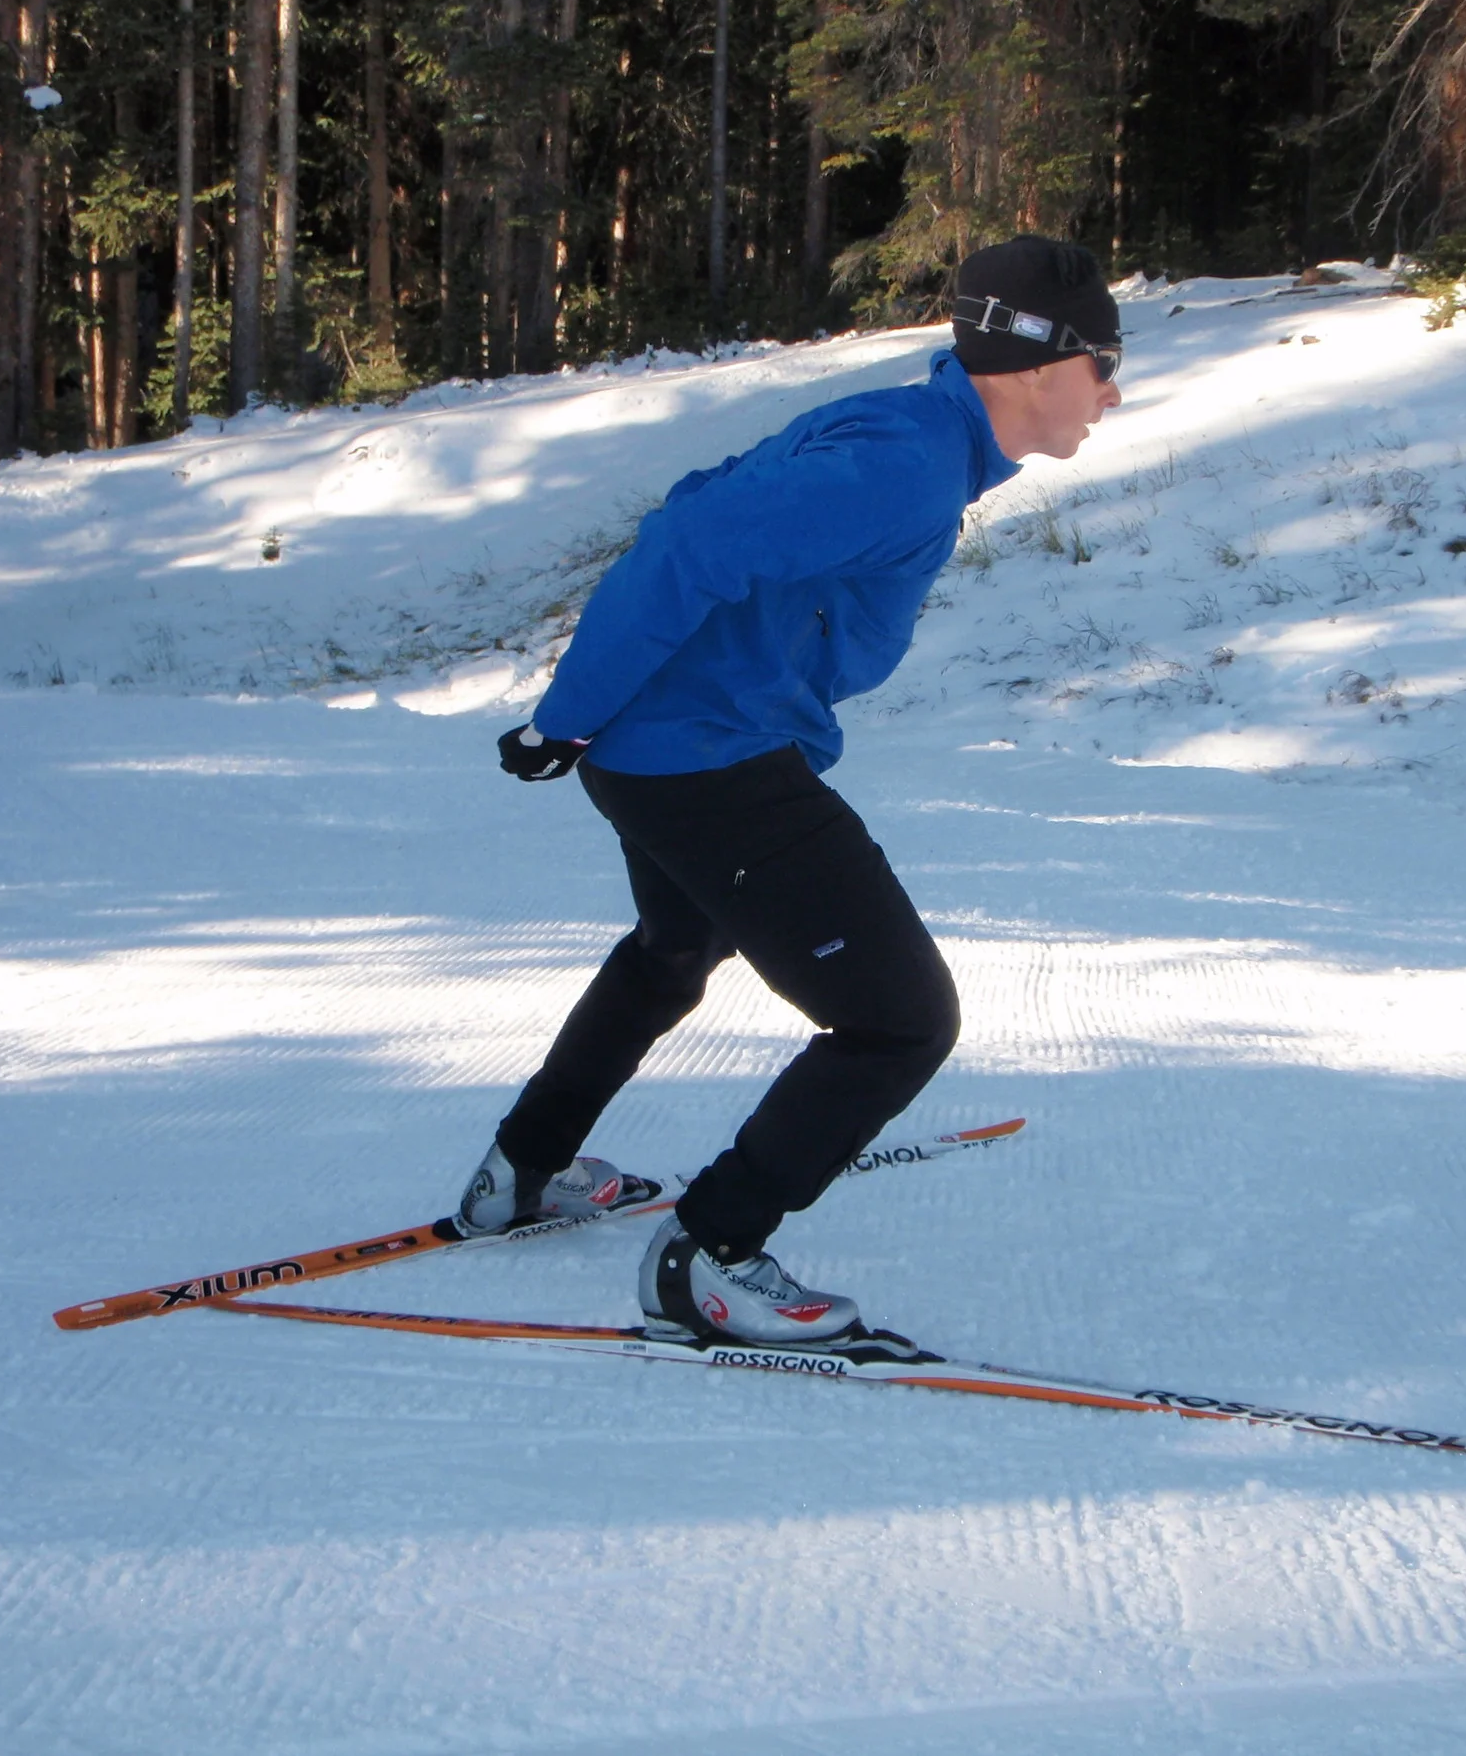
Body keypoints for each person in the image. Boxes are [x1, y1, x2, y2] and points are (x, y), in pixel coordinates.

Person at [455, 234, 1124, 1347]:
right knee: (899, 1021)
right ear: (1040, 366)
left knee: (673, 950)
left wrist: (598, 718)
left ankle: (520, 1174)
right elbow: (689, 540)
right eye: (1105, 365)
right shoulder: (902, 462)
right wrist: (565, 712)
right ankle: (708, 1260)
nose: (1113, 394)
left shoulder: (912, 437)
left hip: (670, 748)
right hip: (706, 760)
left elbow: (711, 503)